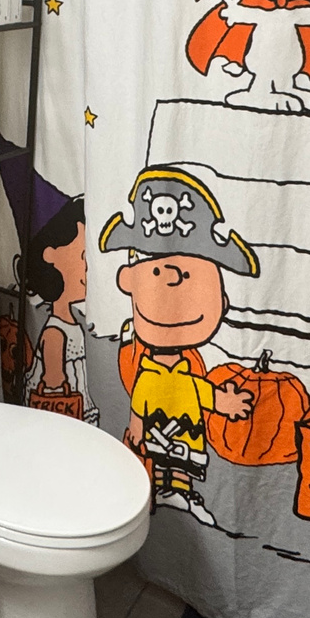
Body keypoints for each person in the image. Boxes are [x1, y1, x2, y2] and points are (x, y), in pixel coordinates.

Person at [101, 166, 260, 528]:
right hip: (161, 430)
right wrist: (136, 429)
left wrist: (225, 402)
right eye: (157, 273)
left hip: (183, 430)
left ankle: (180, 492)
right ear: (129, 282)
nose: (172, 283)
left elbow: (200, 392)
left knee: (185, 463)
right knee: (161, 461)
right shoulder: (149, 374)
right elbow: (144, 403)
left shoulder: (186, 373)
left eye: (189, 277)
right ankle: (158, 489)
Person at [19, 197, 93, 423]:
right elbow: (54, 391)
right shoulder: (55, 334)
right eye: (83, 257)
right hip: (62, 421)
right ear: (50, 255)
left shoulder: (71, 323)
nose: (88, 267)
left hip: (77, 414)